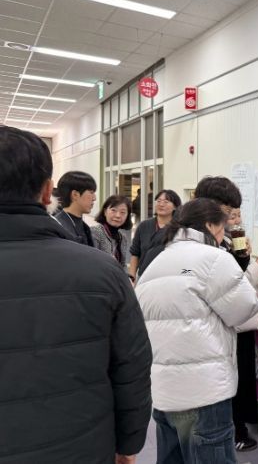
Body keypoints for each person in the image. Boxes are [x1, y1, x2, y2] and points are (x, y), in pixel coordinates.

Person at [0, 125, 152, 463]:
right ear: (47, 191)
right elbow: (132, 366)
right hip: (81, 444)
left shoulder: (107, 251)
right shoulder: (102, 269)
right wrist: (128, 443)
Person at [135, 198, 258, 464]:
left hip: (163, 392)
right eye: (222, 229)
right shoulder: (214, 259)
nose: (224, 237)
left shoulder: (157, 262)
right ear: (209, 225)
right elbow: (245, 310)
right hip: (205, 393)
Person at [194, 176, 258, 452]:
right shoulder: (206, 250)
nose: (233, 218)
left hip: (224, 333)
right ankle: (235, 433)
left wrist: (244, 261)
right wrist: (255, 269)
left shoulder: (224, 242)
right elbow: (231, 289)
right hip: (212, 342)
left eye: (236, 213)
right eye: (228, 212)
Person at [128, 189, 181, 282]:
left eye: (166, 202)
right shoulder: (144, 226)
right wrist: (131, 278)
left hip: (169, 279)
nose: (161, 204)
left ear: (175, 207)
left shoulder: (180, 229)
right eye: (158, 201)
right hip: (143, 277)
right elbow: (135, 254)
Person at [53, 170, 97, 246]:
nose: (94, 198)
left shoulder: (84, 226)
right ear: (75, 195)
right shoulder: (59, 226)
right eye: (91, 192)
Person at [91, 195, 133, 270]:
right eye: (113, 210)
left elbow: (122, 265)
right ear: (105, 212)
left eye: (123, 212)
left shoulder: (122, 237)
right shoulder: (95, 232)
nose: (118, 215)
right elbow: (92, 262)